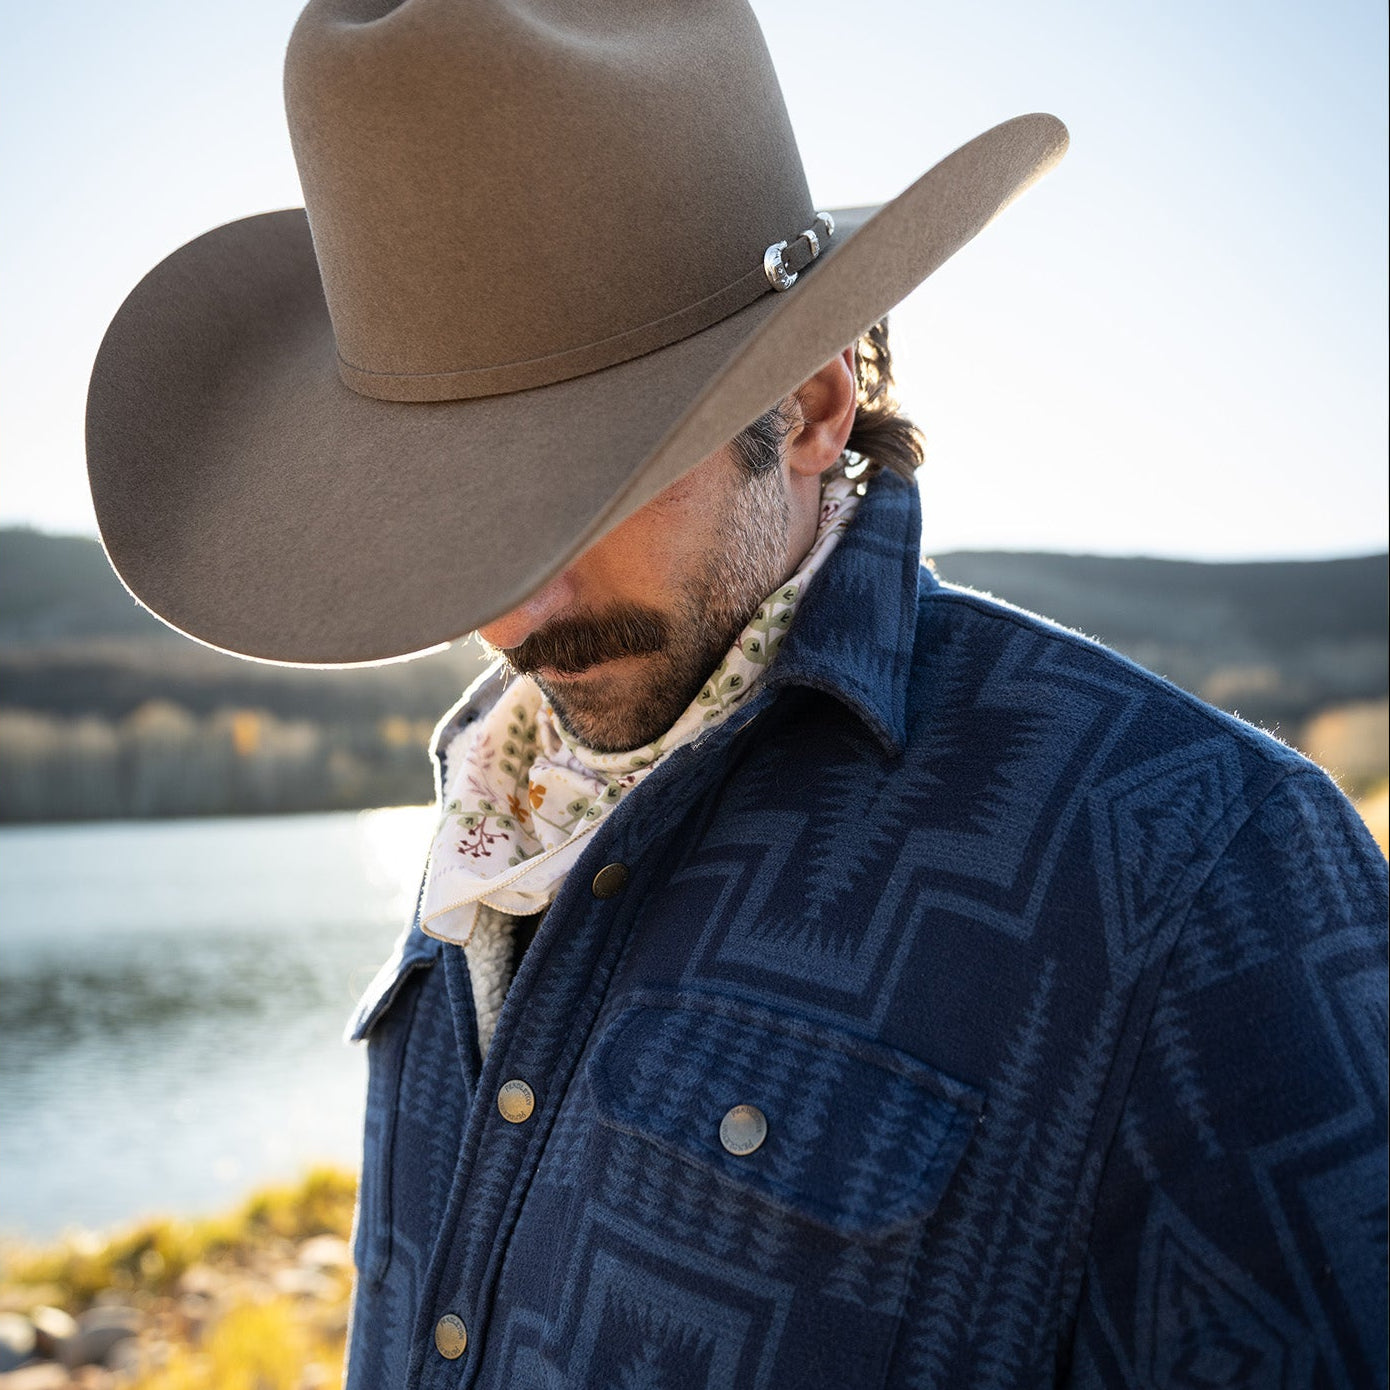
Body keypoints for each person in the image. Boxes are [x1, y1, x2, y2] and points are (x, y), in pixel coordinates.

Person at [85, 1, 1387, 1386]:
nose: (512, 615)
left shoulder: (1190, 859)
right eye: (450, 518)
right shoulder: (501, 804)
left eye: (588, 488)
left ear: (813, 408)